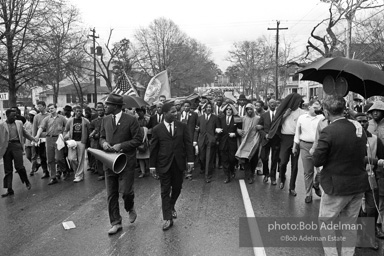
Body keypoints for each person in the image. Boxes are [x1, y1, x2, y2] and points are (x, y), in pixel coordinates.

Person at [313, 95, 370, 256]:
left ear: (326, 112)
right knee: (350, 225)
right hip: (358, 185)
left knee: (326, 224)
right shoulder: (358, 128)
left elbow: (317, 161)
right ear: (344, 109)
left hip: (335, 186)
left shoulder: (328, 131)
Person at [99, 94, 143, 235]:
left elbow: (138, 140)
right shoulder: (105, 119)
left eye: (107, 105)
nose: (105, 107)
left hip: (126, 161)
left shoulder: (131, 120)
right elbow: (101, 137)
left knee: (126, 192)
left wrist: (121, 145)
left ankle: (130, 207)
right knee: (111, 194)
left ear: (116, 106)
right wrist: (104, 143)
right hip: (109, 161)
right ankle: (116, 222)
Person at [149, 103, 194, 231]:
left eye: (176, 112)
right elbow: (154, 149)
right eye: (173, 112)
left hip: (178, 163)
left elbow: (188, 144)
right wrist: (152, 166)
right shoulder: (157, 129)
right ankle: (167, 218)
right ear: (165, 113)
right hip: (163, 164)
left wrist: (190, 161)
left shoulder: (182, 126)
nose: (176, 114)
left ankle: (172, 203)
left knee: (178, 187)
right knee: (164, 191)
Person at [268, 93, 305, 196]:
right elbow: (276, 124)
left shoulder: (302, 113)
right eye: (297, 102)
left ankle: (292, 187)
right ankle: (282, 178)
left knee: (294, 164)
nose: (299, 104)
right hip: (285, 138)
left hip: (296, 139)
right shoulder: (283, 110)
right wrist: (285, 116)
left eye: (300, 102)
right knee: (283, 161)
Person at [0, 109, 38, 197]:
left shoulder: (19, 123)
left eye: (15, 115)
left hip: (17, 146)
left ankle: (26, 181)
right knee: (8, 169)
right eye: (13, 116)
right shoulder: (2, 125)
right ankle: (9, 189)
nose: (15, 117)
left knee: (19, 166)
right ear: (7, 116)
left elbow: (25, 133)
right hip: (6, 148)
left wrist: (33, 139)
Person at [293, 99, 323, 203]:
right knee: (308, 171)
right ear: (309, 107)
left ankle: (316, 184)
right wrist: (294, 146)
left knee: (321, 170)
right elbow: (297, 133)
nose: (317, 110)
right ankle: (308, 194)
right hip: (305, 145)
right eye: (315, 107)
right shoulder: (302, 118)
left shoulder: (322, 118)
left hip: (319, 147)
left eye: (318, 108)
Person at [35, 104, 67, 185]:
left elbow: (67, 127)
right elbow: (41, 127)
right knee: (50, 159)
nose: (51, 110)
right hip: (49, 138)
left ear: (56, 109)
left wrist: (65, 135)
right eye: (49, 109)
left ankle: (64, 170)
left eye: (52, 108)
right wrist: (37, 136)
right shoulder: (47, 118)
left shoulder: (62, 118)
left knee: (59, 158)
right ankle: (53, 177)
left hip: (58, 138)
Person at [235, 103, 262, 184]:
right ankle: (248, 176)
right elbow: (234, 125)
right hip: (245, 141)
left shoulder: (258, 118)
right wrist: (237, 130)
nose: (249, 111)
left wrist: (261, 127)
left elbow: (263, 126)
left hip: (255, 141)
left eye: (251, 109)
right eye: (247, 109)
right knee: (246, 159)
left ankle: (252, 172)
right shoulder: (242, 118)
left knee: (254, 159)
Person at [194, 102, 220, 183]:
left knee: (209, 158)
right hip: (201, 140)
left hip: (210, 140)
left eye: (210, 107)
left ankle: (207, 175)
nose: (208, 109)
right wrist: (195, 140)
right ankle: (203, 168)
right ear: (204, 109)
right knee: (202, 157)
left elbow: (218, 130)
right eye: (207, 107)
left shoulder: (215, 118)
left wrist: (215, 138)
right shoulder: (200, 118)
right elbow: (196, 130)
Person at [64, 106, 90, 183]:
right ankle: (78, 172)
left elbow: (89, 129)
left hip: (81, 141)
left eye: (80, 111)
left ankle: (79, 175)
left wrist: (88, 139)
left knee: (81, 159)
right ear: (74, 111)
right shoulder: (70, 120)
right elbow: (66, 130)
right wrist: (66, 138)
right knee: (71, 158)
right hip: (72, 142)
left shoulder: (85, 121)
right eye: (77, 111)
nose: (79, 113)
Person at [258, 99, 279, 185]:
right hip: (266, 140)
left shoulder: (279, 115)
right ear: (268, 104)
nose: (272, 104)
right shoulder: (264, 115)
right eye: (270, 103)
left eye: (274, 103)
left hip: (276, 140)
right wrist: (264, 135)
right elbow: (260, 127)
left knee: (274, 159)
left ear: (276, 104)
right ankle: (266, 174)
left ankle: (273, 177)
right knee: (264, 157)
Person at [218, 103, 238, 183]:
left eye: (230, 109)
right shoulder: (221, 119)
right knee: (224, 159)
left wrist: (235, 134)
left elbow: (240, 130)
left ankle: (232, 170)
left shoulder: (236, 119)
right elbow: (217, 128)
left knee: (232, 159)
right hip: (223, 142)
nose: (228, 111)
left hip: (232, 142)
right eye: (227, 109)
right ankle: (227, 175)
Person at [179, 100, 198, 179]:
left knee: (190, 155)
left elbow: (196, 128)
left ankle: (189, 172)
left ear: (190, 107)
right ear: (183, 107)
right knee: (182, 155)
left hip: (190, 138)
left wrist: (195, 139)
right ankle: (183, 171)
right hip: (180, 138)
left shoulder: (194, 115)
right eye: (185, 106)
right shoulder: (179, 115)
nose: (186, 107)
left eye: (188, 106)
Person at [31, 101, 50, 178]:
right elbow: (34, 128)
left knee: (49, 155)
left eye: (40, 106)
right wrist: (34, 138)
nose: (38, 108)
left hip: (49, 137)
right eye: (37, 106)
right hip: (40, 139)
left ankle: (55, 171)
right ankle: (45, 171)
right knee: (42, 156)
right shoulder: (36, 116)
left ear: (44, 106)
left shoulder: (49, 115)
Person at [136, 107, 150, 178]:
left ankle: (148, 169)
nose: (139, 113)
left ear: (144, 112)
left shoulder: (148, 119)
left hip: (147, 139)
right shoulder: (136, 120)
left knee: (147, 156)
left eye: (141, 111)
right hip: (138, 139)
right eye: (138, 112)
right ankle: (143, 171)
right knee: (140, 157)